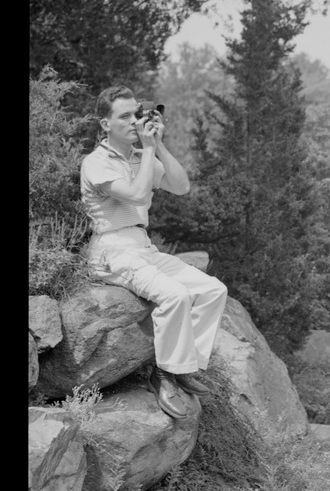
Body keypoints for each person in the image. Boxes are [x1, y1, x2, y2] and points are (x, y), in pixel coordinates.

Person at [80, 84, 227, 419]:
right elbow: (133, 194)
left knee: (212, 289)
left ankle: (182, 368)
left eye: (137, 113)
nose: (135, 121)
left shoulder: (139, 156)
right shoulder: (96, 162)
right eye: (125, 116)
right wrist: (147, 151)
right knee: (174, 296)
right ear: (105, 124)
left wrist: (157, 144)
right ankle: (162, 376)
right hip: (112, 249)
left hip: (142, 246)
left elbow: (181, 185)